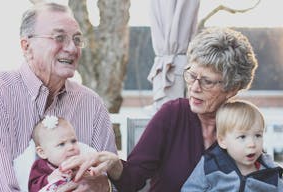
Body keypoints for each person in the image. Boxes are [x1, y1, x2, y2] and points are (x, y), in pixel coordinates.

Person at [59, 27, 259, 191]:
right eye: (191, 75)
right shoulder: (172, 115)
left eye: (207, 82)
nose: (194, 87)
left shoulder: (245, 124)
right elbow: (132, 180)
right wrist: (115, 164)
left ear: (232, 88)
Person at [0, 2, 117, 191]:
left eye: (77, 39)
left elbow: (111, 176)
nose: (72, 48)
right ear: (26, 46)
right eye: (59, 37)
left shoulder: (92, 104)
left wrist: (103, 185)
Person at [181, 100, 283, 191]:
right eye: (242, 137)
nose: (252, 144)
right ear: (222, 141)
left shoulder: (271, 173)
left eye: (258, 135)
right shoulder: (211, 164)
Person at [28, 115, 80, 192]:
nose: (71, 147)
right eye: (61, 144)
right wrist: (49, 179)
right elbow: (32, 188)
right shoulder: (40, 166)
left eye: (73, 141)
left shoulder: (80, 162)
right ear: (42, 152)